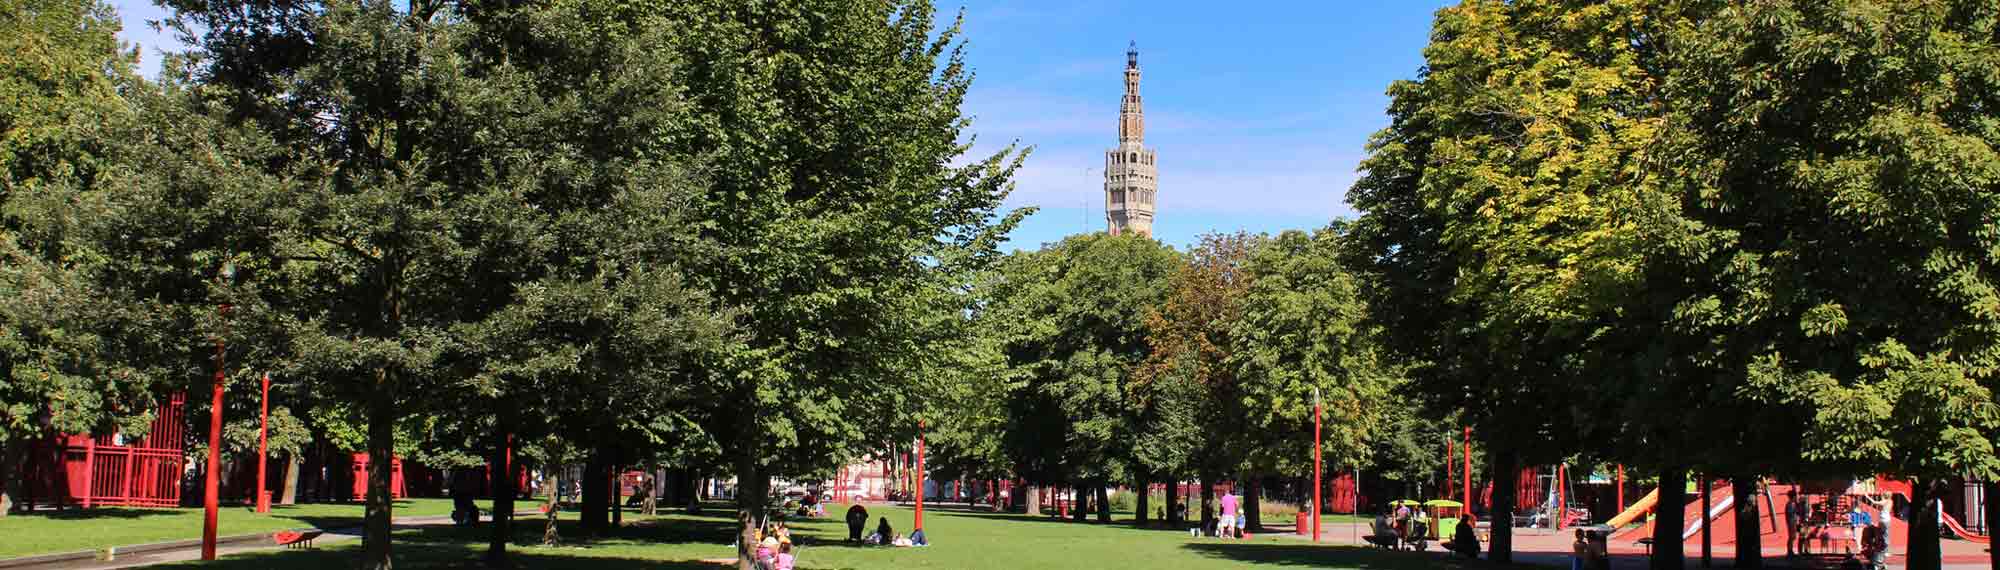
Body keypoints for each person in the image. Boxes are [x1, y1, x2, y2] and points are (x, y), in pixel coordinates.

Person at [1784, 490, 1806, 557]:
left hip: (1794, 522)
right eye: (1795, 496)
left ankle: (1791, 551)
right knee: (1791, 537)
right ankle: (1789, 551)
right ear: (1793, 496)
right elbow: (1791, 513)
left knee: (1793, 537)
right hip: (1791, 523)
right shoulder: (1790, 504)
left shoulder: (1792, 503)